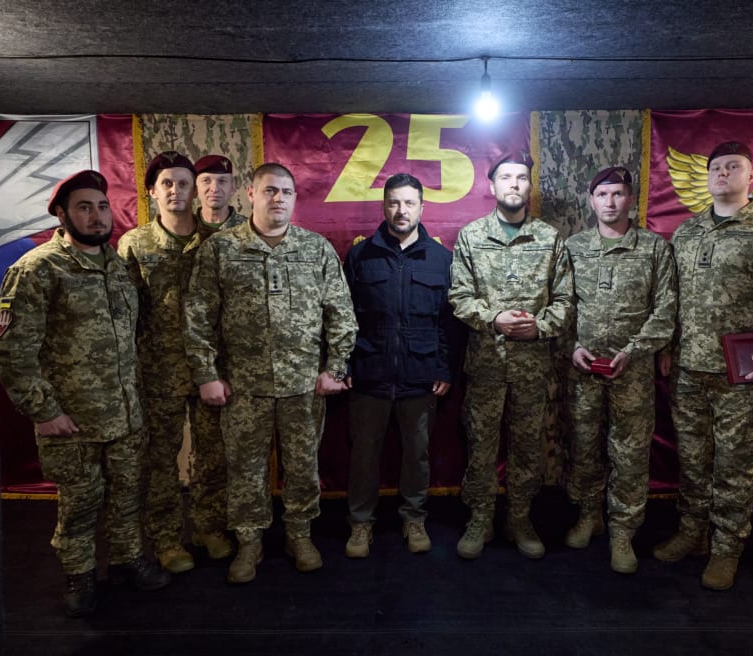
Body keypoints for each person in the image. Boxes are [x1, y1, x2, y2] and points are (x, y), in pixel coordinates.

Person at [0, 170, 170, 617]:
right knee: (80, 503)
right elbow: (12, 350)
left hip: (125, 415)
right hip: (72, 421)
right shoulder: (37, 269)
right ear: (61, 213)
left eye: (102, 207)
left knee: (129, 494)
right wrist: (43, 411)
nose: (96, 217)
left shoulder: (117, 265)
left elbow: (136, 334)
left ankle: (128, 560)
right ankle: (79, 574)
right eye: (84, 208)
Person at [185, 162, 357, 584]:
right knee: (245, 469)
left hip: (303, 386)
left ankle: (299, 536)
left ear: (295, 198)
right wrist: (206, 374)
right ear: (250, 194)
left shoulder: (314, 249)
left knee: (302, 466)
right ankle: (249, 543)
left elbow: (341, 312)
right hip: (244, 387)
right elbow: (198, 316)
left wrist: (335, 367)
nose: (277, 198)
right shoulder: (222, 250)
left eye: (286, 192)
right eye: (269, 191)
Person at [656, 141, 753, 590]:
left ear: (752, 176)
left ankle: (727, 547)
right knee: (691, 459)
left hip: (743, 374)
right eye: (717, 168)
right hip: (689, 369)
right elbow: (672, 299)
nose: (723, 174)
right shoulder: (686, 233)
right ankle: (693, 532)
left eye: (734, 167)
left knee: (734, 464)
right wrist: (668, 349)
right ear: (708, 179)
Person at [449, 150, 574, 560]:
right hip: (486, 364)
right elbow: (460, 297)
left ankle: (519, 517)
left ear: (529, 186)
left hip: (532, 366)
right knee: (481, 443)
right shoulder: (471, 236)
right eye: (506, 178)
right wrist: (494, 318)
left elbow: (565, 301)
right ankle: (480, 516)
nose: (514, 184)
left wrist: (539, 325)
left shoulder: (549, 238)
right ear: (492, 186)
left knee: (525, 446)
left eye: (521, 178)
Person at [117, 151, 233, 575]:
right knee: (160, 459)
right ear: (152, 190)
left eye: (184, 183)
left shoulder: (219, 239)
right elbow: (125, 314)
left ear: (195, 188)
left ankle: (209, 528)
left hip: (211, 371)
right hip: (157, 373)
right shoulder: (135, 243)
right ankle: (166, 540)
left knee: (212, 454)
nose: (175, 191)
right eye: (166, 183)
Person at [564, 166, 677, 573]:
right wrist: (571, 347)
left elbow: (666, 309)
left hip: (632, 371)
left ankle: (623, 529)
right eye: (602, 195)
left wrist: (635, 350)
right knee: (584, 445)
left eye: (618, 195)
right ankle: (588, 514)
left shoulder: (652, 248)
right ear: (591, 200)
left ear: (631, 200)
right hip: (583, 371)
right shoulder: (573, 248)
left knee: (629, 453)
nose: (610, 203)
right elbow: (561, 304)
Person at [342, 173, 456, 558]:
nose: (401, 210)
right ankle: (360, 524)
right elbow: (344, 316)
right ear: (383, 206)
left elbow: (448, 321)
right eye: (393, 202)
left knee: (417, 454)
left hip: (420, 375)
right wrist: (345, 364)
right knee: (363, 455)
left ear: (422, 207)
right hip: (369, 373)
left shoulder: (441, 259)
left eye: (409, 203)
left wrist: (442, 368)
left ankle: (414, 517)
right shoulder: (361, 255)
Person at [194, 154, 248, 233]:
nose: (215, 189)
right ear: (195, 187)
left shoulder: (250, 230)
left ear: (233, 187)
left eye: (222, 181)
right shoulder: (183, 228)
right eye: (206, 181)